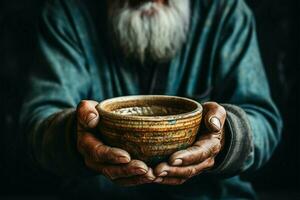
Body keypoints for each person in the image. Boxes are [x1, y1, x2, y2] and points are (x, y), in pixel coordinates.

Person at [20, 0, 282, 199]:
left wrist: (225, 137)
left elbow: (264, 121)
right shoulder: (68, 14)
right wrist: (73, 136)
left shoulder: (226, 12)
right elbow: (37, 123)